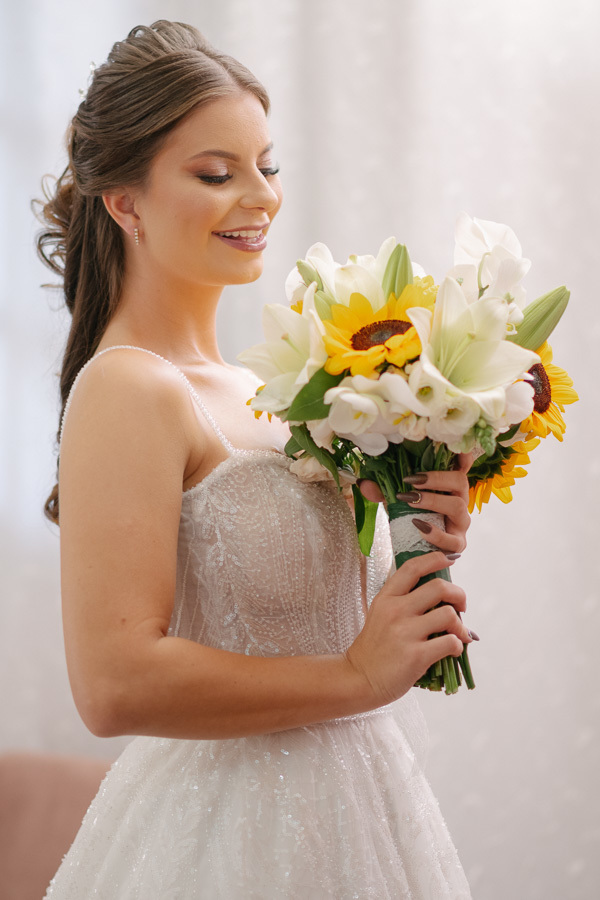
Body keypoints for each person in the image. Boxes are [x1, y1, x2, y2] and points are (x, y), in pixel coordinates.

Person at [39, 20, 474, 899]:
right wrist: (354, 676)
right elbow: (113, 684)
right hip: (227, 836)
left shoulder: (267, 392)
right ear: (124, 203)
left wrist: (421, 526)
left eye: (267, 166)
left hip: (364, 807)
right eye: (216, 173)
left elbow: (317, 608)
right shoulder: (128, 388)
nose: (261, 197)